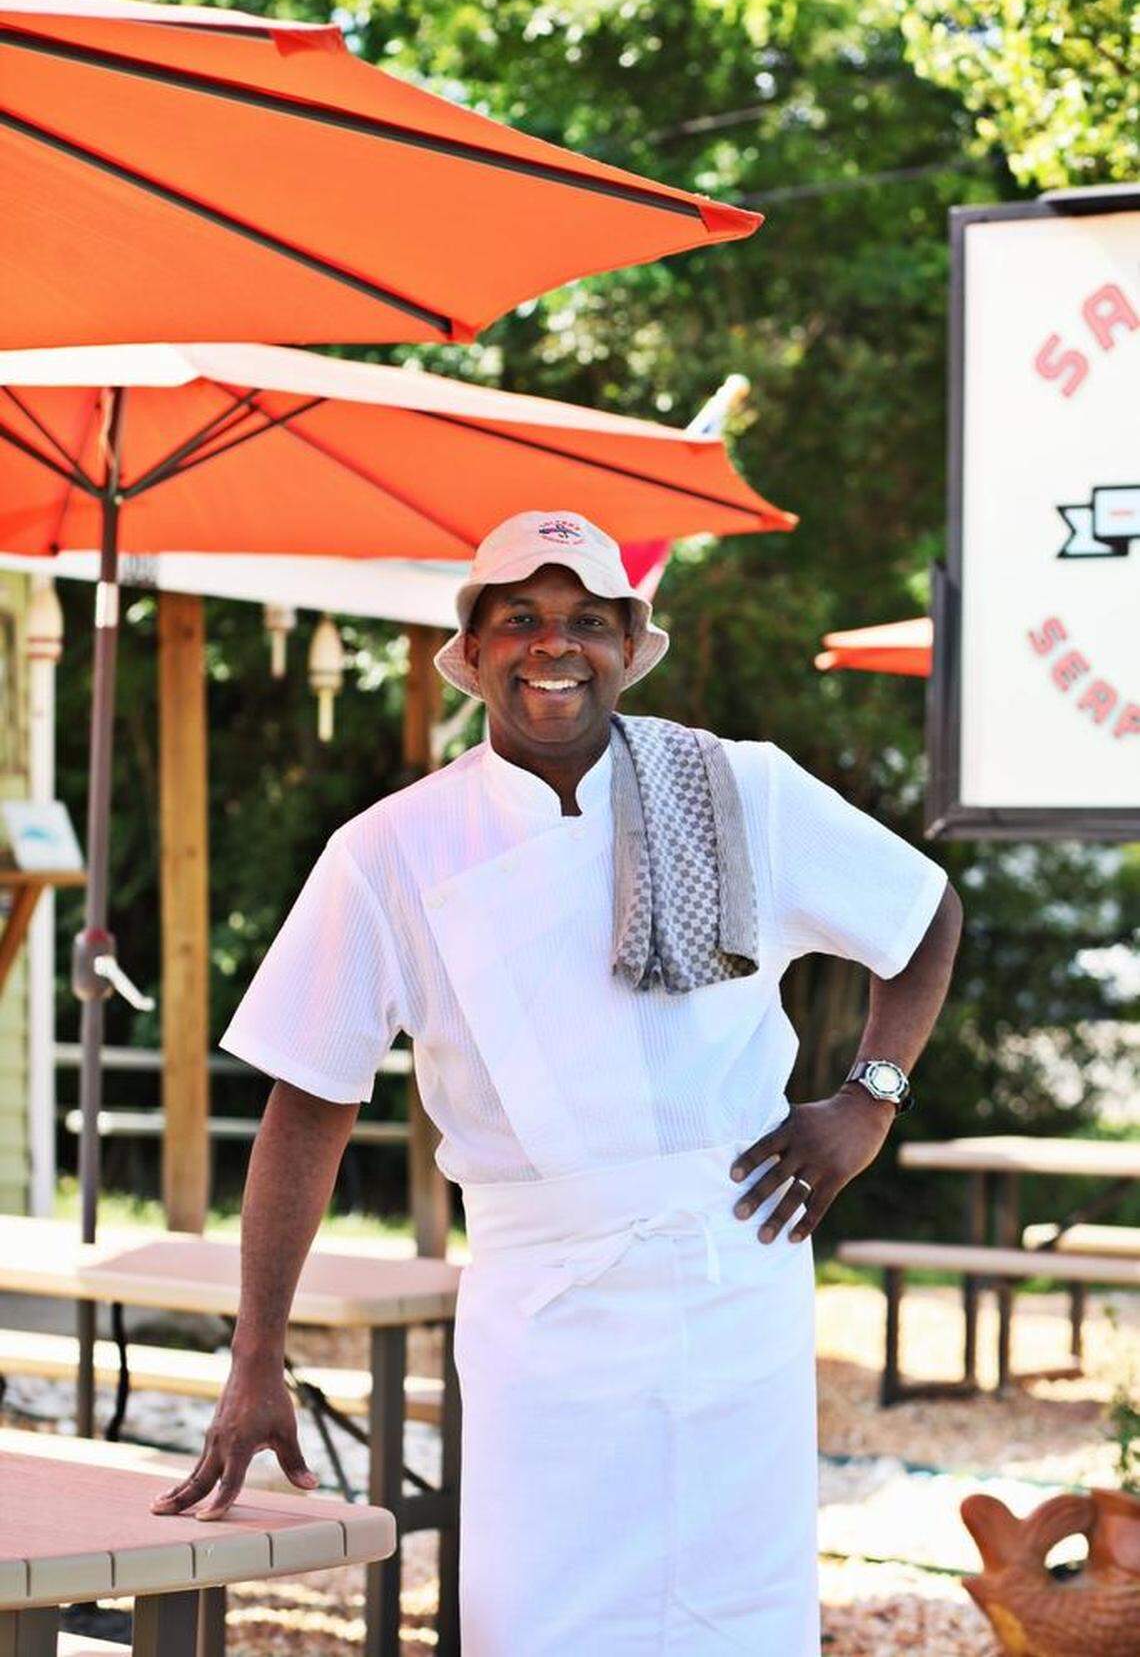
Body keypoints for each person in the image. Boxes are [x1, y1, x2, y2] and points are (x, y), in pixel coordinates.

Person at [152, 510, 962, 1655]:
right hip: (542, 1302)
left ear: (632, 644)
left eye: (588, 619)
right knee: (535, 1619)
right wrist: (253, 1357)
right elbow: (309, 1104)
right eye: (520, 618)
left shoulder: (744, 789)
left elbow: (924, 912)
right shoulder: (389, 850)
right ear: (472, 651)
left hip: (737, 1270)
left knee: (741, 1617)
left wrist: (870, 1098)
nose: (555, 644)